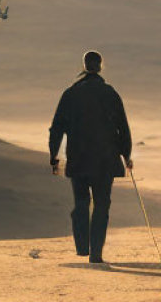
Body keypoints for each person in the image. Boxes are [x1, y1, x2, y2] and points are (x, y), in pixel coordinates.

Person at [49, 50, 133, 264]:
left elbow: (57, 127)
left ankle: (82, 246)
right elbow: (122, 127)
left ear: (84, 65)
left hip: (78, 158)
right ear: (101, 66)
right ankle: (96, 253)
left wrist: (54, 155)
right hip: (105, 159)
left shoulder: (71, 93)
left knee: (81, 202)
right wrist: (126, 154)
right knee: (102, 204)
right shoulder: (110, 93)